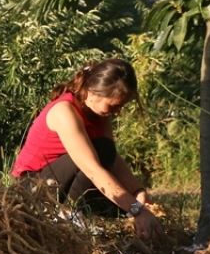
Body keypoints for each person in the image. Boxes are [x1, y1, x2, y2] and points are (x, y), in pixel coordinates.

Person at [11, 59, 163, 241]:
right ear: (92, 93)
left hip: (65, 182)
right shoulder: (64, 111)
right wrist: (136, 210)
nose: (117, 113)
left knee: (109, 163)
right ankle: (66, 218)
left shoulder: (100, 113)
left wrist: (137, 192)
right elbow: (92, 169)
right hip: (33, 187)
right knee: (102, 152)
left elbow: (112, 158)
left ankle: (76, 215)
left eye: (121, 106)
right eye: (114, 105)